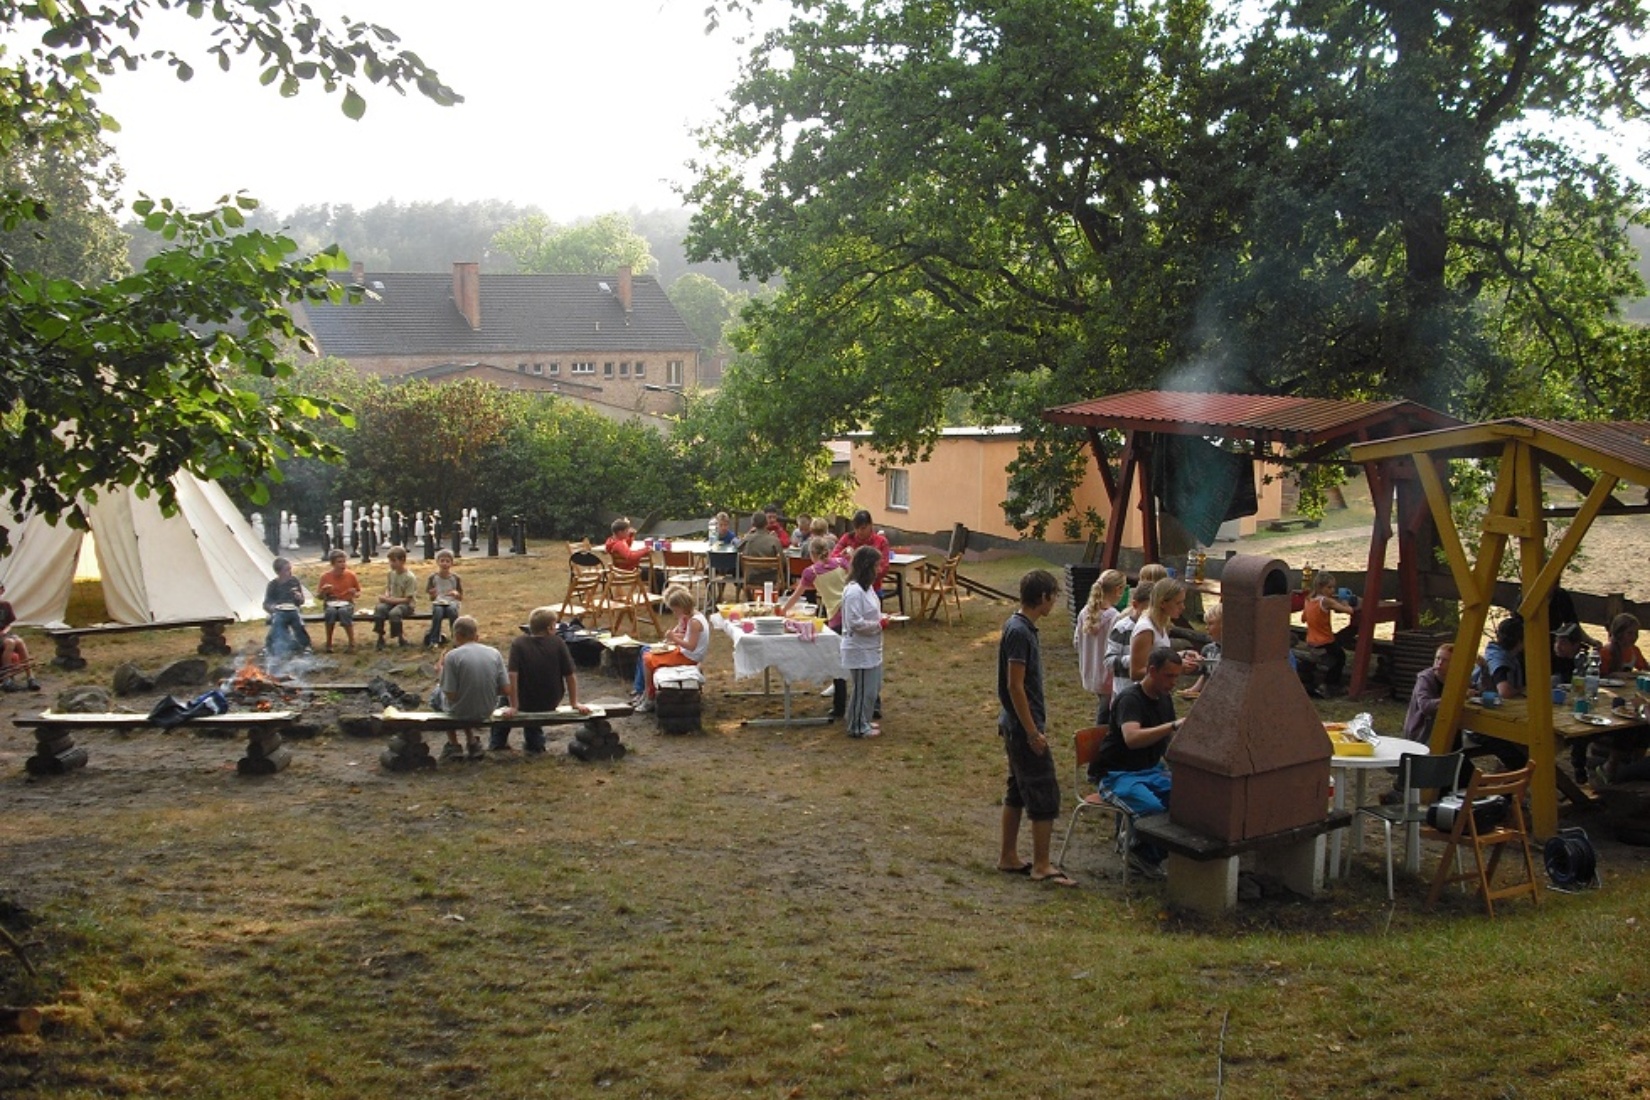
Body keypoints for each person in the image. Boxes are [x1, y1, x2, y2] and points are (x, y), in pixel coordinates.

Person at [995, 569, 1074, 886]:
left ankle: (1008, 857)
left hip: (1016, 725)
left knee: (1017, 790)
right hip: (1021, 728)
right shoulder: (1020, 632)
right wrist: (1031, 731)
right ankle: (1042, 864)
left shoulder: (1020, 627)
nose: (1054, 602)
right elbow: (1015, 686)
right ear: (1043, 597)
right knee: (1043, 793)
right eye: (1053, 596)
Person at [1097, 646, 1186, 879]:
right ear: (1151, 671)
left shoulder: (1164, 699)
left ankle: (1146, 852)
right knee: (1152, 809)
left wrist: (1182, 770)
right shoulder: (1130, 699)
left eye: (1177, 676)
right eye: (1169, 676)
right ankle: (1135, 847)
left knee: (1187, 799)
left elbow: (1167, 742)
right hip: (1117, 774)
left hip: (1150, 770)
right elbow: (1132, 738)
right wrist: (1173, 725)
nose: (1173, 682)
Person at [491, 606, 588, 753]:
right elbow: (570, 675)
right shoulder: (558, 643)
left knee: (505, 700)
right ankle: (535, 744)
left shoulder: (519, 644)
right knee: (534, 691)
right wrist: (574, 702)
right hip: (551, 700)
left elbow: (512, 675)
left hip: (524, 701)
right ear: (550, 628)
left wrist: (514, 706)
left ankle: (498, 743)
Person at [781, 536, 850, 720]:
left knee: (837, 661)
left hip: (836, 614)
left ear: (812, 554)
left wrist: (783, 610)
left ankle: (839, 706)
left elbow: (797, 595)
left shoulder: (811, 571)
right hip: (851, 609)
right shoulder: (841, 563)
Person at [433, 615, 513, 761]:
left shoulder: (452, 657)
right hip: (487, 709)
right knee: (466, 695)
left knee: (437, 693)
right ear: (477, 636)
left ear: (456, 635)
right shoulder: (494, 653)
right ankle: (472, 741)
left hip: (460, 712)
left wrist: (441, 673)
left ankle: (454, 744)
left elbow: (450, 694)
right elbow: (506, 690)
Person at [630, 584, 710, 712]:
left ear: (682, 606)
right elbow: (687, 637)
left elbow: (691, 646)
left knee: (648, 659)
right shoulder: (694, 617)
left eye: (675, 610)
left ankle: (649, 696)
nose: (674, 613)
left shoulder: (695, 622)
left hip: (689, 657)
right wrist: (674, 637)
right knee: (647, 654)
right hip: (685, 653)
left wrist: (674, 638)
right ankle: (646, 692)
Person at [839, 544, 887, 739]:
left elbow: (871, 613)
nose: (878, 570)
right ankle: (857, 726)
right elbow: (854, 623)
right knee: (862, 689)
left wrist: (884, 618)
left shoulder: (867, 590)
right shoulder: (853, 592)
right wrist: (879, 624)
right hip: (858, 647)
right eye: (876, 566)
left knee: (872, 688)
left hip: (871, 646)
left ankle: (863, 720)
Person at [1074, 569, 1125, 724]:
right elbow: (1115, 646)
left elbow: (1076, 641)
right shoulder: (1114, 617)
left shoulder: (1085, 613)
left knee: (1105, 708)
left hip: (1090, 672)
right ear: (1118, 590)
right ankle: (1099, 741)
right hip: (1107, 677)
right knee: (1105, 715)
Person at [1128, 577, 1200, 682]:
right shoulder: (1146, 630)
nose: (1183, 607)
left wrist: (1182, 655)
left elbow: (1157, 658)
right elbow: (1136, 673)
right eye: (1178, 603)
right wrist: (1176, 669)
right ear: (1162, 603)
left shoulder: (1161, 624)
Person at [1301, 571, 1355, 696]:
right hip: (1324, 641)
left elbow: (1303, 618)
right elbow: (1349, 611)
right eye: (1329, 587)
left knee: (1338, 645)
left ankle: (1328, 683)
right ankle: (1331, 684)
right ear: (1321, 587)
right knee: (1340, 658)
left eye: (1333, 587)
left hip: (1311, 640)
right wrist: (1345, 601)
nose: (1332, 590)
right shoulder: (1326, 601)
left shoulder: (1309, 599)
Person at [261, 557, 312, 657]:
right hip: (279, 611)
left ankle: (305, 645)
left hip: (293, 609)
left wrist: (299, 597)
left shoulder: (294, 581)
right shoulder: (273, 585)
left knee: (298, 622)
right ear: (278, 572)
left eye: (290, 569)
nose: (290, 572)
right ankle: (271, 647)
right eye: (287, 570)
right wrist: (272, 608)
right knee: (277, 622)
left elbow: (301, 601)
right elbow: (266, 603)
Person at [1403, 643, 1452, 743]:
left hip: (1447, 729)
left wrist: (1483, 668)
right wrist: (1452, 698)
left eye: (1445, 660)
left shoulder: (1456, 678)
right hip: (1421, 733)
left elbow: (1482, 690)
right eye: (1437, 658)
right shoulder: (1425, 678)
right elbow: (1425, 707)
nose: (1439, 663)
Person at [371, 545, 418, 649]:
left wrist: (389, 600)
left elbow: (408, 599)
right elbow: (389, 587)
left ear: (402, 560)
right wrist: (387, 595)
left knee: (395, 613)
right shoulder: (391, 574)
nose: (391, 564)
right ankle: (380, 637)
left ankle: (400, 638)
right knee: (380, 609)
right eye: (390, 561)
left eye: (394, 561)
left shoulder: (409, 577)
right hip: (392, 601)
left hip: (406, 605)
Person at [831, 509, 891, 588]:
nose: (859, 531)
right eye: (856, 528)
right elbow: (832, 560)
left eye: (863, 528)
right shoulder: (847, 538)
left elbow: (884, 568)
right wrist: (842, 555)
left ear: (870, 525)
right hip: (849, 586)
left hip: (873, 587)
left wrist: (861, 574)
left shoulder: (881, 542)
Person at [316, 548, 361, 652]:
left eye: (344, 561)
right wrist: (324, 591)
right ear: (333, 564)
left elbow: (358, 592)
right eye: (339, 562)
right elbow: (319, 597)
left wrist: (354, 593)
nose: (342, 565)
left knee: (343, 611)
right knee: (330, 612)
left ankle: (351, 643)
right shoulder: (325, 577)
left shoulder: (351, 575)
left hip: (347, 603)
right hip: (330, 603)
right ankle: (329, 643)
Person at [1105, 581, 1151, 681]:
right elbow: (1108, 660)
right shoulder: (1123, 628)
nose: (1151, 613)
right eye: (1147, 608)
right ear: (1135, 605)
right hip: (1126, 687)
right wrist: (1134, 659)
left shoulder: (1156, 627)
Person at [0, 581, 41, 691]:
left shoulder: (5, 605)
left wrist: (5, 631)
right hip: (3, 638)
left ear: (2, 591)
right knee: (10, 643)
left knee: (19, 641)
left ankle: (30, 677)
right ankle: (6, 678)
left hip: (4, 634)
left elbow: (9, 624)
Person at [1180, 601, 1223, 699]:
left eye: (1211, 623)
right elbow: (1205, 675)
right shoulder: (1208, 649)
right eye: (1206, 624)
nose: (1206, 628)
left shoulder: (1235, 653)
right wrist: (1193, 690)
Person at [424, 549, 464, 647]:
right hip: (439, 601)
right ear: (438, 562)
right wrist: (433, 594)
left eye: (447, 561)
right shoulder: (433, 578)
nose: (444, 564)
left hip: (452, 602)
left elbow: (460, 596)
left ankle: (456, 638)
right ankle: (434, 639)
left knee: (452, 611)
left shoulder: (455, 578)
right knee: (437, 612)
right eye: (442, 561)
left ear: (451, 563)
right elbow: (431, 596)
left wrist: (456, 594)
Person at [740, 512, 783, 596]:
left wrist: (748, 534)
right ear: (766, 523)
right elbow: (783, 562)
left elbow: (738, 548)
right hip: (771, 578)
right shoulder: (774, 540)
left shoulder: (747, 539)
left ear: (753, 524)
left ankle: (750, 598)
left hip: (751, 578)